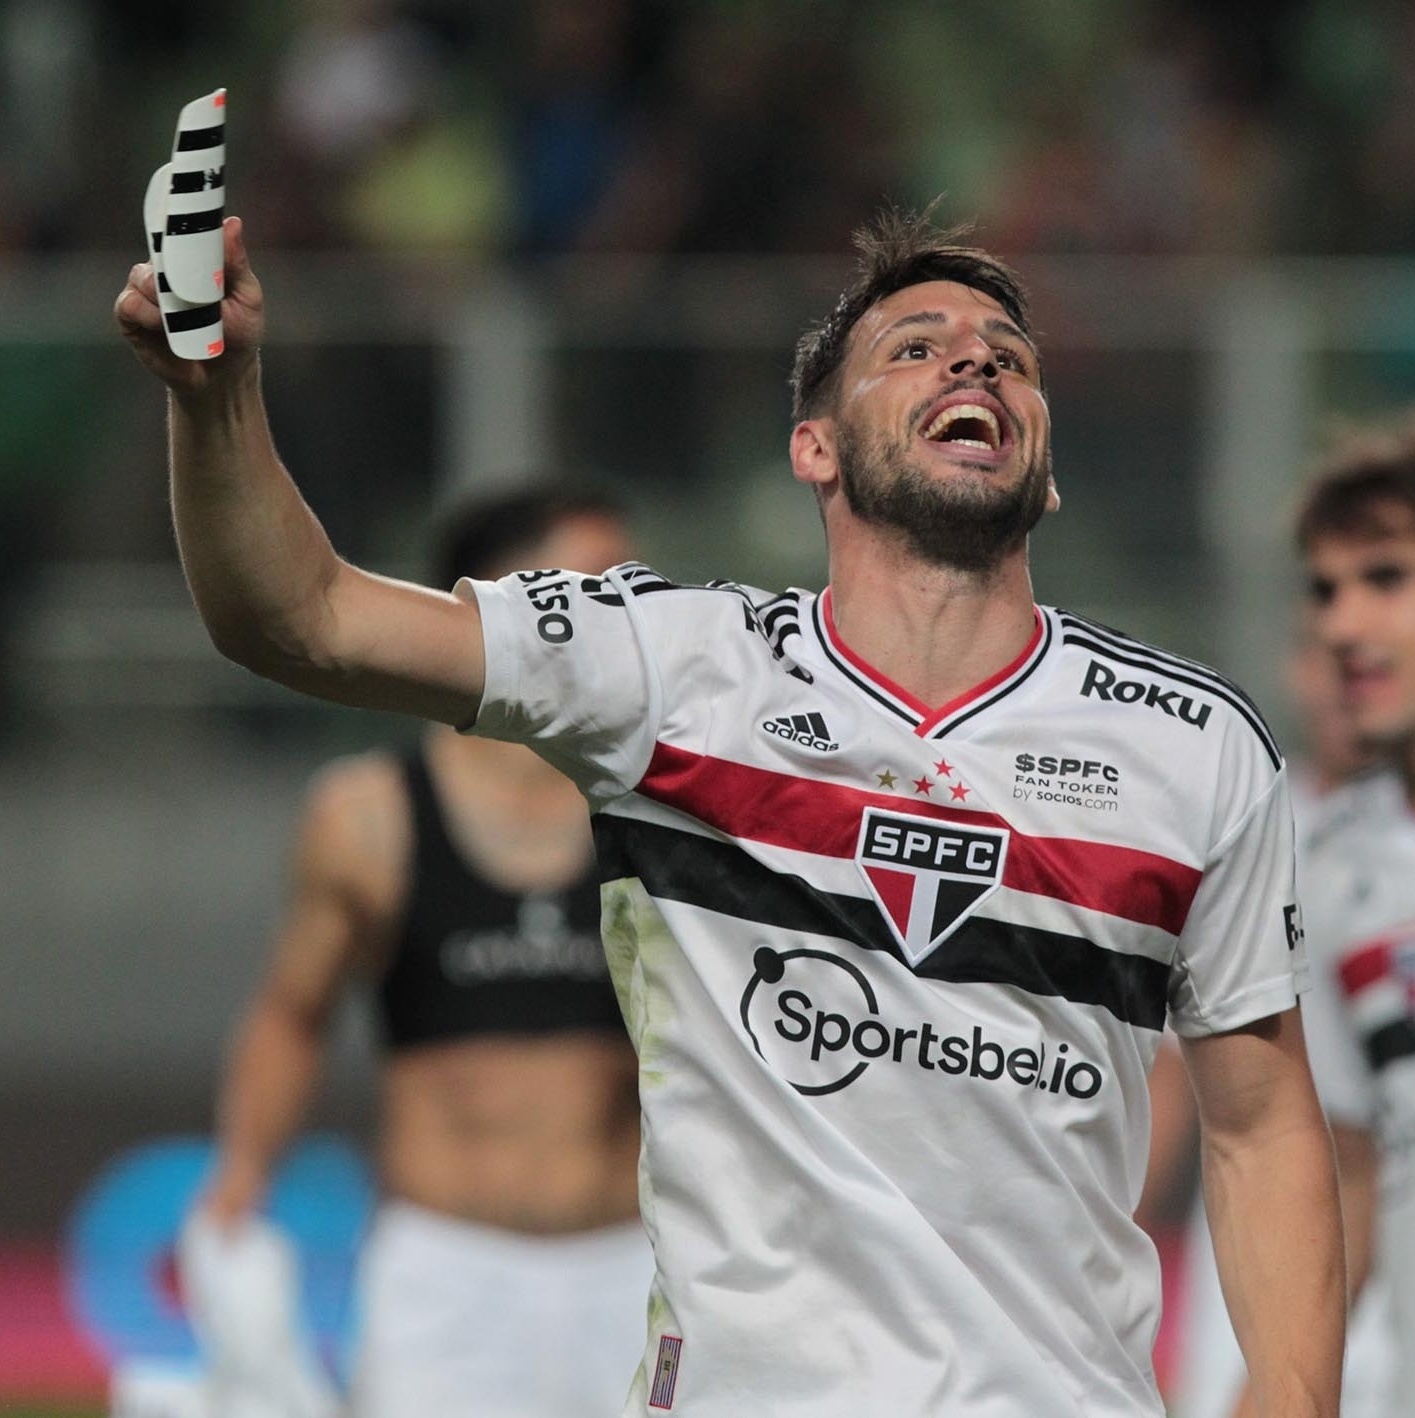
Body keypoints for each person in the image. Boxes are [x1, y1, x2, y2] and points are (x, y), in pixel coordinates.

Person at [116, 204, 1345, 1417]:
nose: (972, 357)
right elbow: (302, 617)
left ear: (1046, 466)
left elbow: (1259, 1125)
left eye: (1006, 357)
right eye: (912, 346)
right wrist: (211, 399)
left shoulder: (1193, 746)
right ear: (812, 447)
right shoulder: (674, 669)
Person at [184, 487, 651, 1418]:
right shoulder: (368, 817)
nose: (627, 620)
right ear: (498, 603)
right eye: (595, 590)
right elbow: (292, 1013)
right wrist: (239, 1179)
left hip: (632, 1268)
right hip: (445, 1278)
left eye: (633, 594)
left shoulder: (656, 818)